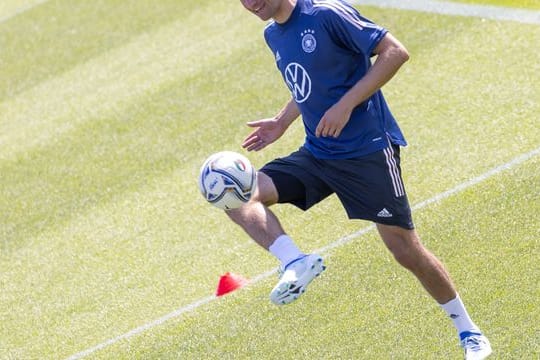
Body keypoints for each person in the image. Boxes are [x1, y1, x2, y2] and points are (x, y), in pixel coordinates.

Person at [229, 0, 492, 358]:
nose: (250, 3)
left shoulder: (325, 14)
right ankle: (295, 262)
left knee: (404, 250)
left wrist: (346, 105)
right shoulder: (273, 34)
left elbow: (394, 52)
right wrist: (282, 121)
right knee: (236, 193)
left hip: (366, 151)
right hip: (319, 153)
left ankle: (469, 331)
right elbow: (311, 80)